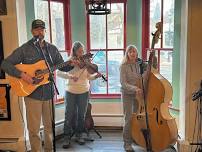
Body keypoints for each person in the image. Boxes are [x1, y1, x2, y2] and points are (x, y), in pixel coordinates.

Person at [1, 19, 75, 152]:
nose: (39, 32)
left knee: (49, 127)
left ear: (45, 31)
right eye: (36, 29)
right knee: (34, 129)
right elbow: (5, 64)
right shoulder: (24, 49)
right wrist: (23, 75)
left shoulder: (51, 49)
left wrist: (72, 64)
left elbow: (62, 66)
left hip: (48, 93)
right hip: (32, 94)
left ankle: (49, 149)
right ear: (32, 31)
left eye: (41, 29)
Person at [57, 41, 101, 149]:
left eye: (83, 51)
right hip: (70, 91)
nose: (82, 53)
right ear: (74, 51)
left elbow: (88, 77)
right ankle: (66, 137)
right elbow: (58, 73)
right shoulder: (69, 61)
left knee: (82, 115)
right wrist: (71, 77)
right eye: (79, 51)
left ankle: (79, 135)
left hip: (84, 91)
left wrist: (95, 76)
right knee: (69, 114)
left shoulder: (86, 61)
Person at [120, 45, 149, 152]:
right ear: (127, 53)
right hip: (127, 93)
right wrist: (135, 88)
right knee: (128, 118)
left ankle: (136, 138)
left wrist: (152, 59)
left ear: (137, 53)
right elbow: (123, 83)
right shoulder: (123, 66)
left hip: (138, 93)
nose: (132, 53)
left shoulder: (140, 64)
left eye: (134, 52)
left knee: (138, 118)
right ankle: (127, 143)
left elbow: (150, 70)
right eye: (130, 52)